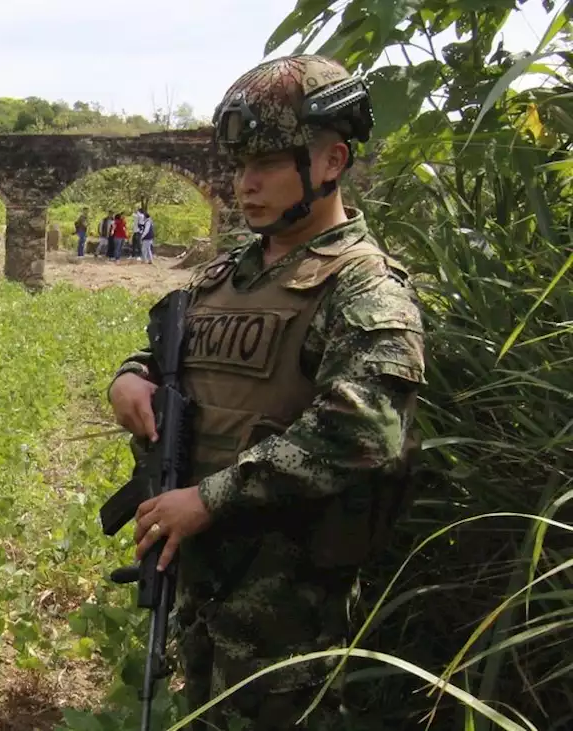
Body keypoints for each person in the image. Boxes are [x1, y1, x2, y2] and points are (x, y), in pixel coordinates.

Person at [105, 54, 426, 730]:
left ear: (331, 161)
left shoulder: (363, 284)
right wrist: (130, 377)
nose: (244, 185)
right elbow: (171, 353)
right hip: (200, 572)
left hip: (288, 598)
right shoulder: (229, 274)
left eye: (269, 165)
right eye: (239, 166)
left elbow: (365, 429)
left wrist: (211, 497)